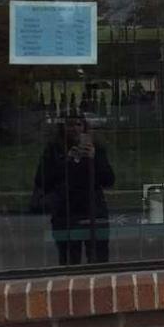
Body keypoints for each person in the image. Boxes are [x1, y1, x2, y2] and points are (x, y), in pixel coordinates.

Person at [32, 114, 115, 266]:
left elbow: (108, 180)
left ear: (84, 128)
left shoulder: (96, 149)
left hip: (93, 211)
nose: (75, 129)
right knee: (69, 262)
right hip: (66, 212)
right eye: (70, 125)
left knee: (99, 261)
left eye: (78, 124)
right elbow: (42, 180)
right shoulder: (54, 150)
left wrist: (93, 158)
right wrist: (67, 161)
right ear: (63, 128)